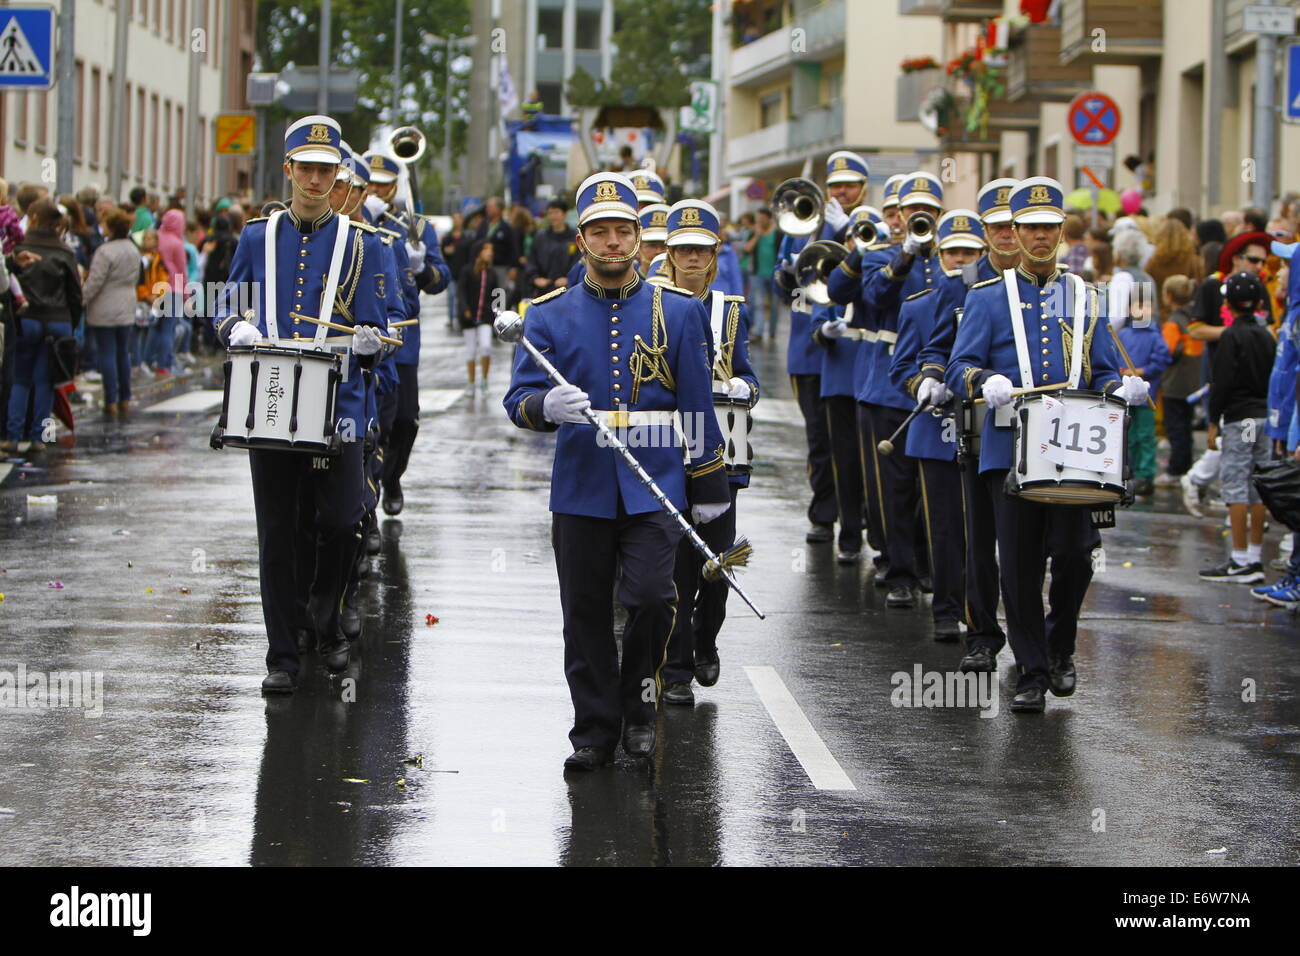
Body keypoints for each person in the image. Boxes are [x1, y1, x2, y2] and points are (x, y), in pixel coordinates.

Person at [502, 172, 730, 771]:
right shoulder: (546, 315)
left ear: (637, 237)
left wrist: (709, 487)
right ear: (581, 240)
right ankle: (593, 731)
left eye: (622, 231)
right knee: (584, 613)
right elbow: (518, 401)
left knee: (655, 599)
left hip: (657, 484)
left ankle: (639, 709)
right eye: (599, 232)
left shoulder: (677, 312)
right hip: (581, 487)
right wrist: (543, 408)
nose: (612, 242)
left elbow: (698, 407)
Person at [947, 177, 1147, 713]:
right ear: (1013, 232)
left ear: (1061, 232)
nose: (1039, 237)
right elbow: (957, 367)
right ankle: (1032, 671)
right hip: (1009, 445)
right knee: (1017, 562)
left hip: (1077, 448)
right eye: (1029, 227)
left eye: (1048, 228)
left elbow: (1101, 369)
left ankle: (1060, 648)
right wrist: (982, 381)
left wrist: (1119, 388)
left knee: (1078, 553)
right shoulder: (986, 297)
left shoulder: (1085, 295)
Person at [211, 114, 389, 693]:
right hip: (270, 397)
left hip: (339, 400)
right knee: (277, 532)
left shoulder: (361, 243)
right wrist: (232, 325)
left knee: (341, 522)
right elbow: (226, 305)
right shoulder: (257, 236)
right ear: (288, 170)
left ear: (338, 175)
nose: (316, 180)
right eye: (306, 169)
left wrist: (369, 340)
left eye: (326, 170)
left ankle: (323, 611)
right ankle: (281, 655)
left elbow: (379, 332)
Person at [657, 198, 760, 706]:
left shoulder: (732, 310)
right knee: (676, 561)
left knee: (717, 561)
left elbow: (750, 374)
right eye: (683, 250)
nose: (692, 259)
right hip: (667, 450)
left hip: (722, 454)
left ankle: (706, 639)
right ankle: (675, 669)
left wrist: (744, 385)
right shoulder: (652, 305)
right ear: (669, 255)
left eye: (701, 250)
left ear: (714, 254)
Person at [917, 178, 1019, 672]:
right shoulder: (959, 284)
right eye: (996, 227)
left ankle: (1039, 640)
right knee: (978, 537)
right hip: (979, 423)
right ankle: (981, 631)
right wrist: (932, 379)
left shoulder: (1055, 282)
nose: (1005, 236)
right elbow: (937, 347)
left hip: (1042, 426)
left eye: (1011, 225)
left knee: (1039, 540)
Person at [890, 208, 987, 641]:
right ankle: (947, 611)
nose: (961, 261)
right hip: (937, 429)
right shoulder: (920, 305)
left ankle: (982, 612)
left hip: (988, 427)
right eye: (953, 253)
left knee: (984, 529)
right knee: (945, 528)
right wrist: (922, 386)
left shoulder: (997, 298)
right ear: (940, 254)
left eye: (970, 252)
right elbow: (902, 367)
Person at [858, 170, 946, 607]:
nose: (919, 218)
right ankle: (899, 571)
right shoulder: (883, 255)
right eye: (913, 212)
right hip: (890, 383)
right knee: (893, 486)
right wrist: (906, 255)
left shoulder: (951, 257)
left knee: (932, 484)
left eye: (928, 212)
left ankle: (930, 564)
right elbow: (873, 298)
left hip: (941, 384)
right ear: (900, 215)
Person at [1198, 272, 1275, 583]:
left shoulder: (1230, 336)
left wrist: (1214, 421)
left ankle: (1239, 558)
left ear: (1227, 302)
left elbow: (1223, 383)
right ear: (1258, 303)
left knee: (1236, 484)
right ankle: (1255, 555)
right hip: (1264, 418)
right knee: (1259, 485)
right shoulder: (1266, 335)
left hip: (1241, 419)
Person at [1, 199, 83, 454]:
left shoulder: (21, 247)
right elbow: (75, 294)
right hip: (58, 321)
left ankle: (13, 435)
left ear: (33, 218)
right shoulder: (65, 251)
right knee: (47, 381)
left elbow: (8, 282)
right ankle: (39, 437)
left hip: (28, 318)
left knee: (21, 379)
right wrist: (73, 325)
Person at [82, 209, 140, 420]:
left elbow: (95, 281)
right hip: (126, 304)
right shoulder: (133, 249)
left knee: (106, 352)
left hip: (105, 305)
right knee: (123, 352)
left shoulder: (105, 251)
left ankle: (110, 399)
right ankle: (125, 395)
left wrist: (81, 299)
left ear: (112, 227)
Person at [1117, 292, 1170, 496]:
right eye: (1139, 306)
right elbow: (1114, 359)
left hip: (1148, 396)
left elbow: (1162, 359)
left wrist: (1140, 371)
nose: (1143, 310)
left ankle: (1146, 475)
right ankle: (1128, 470)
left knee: (1145, 435)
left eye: (1147, 306)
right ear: (1130, 309)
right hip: (1125, 395)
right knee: (1128, 434)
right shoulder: (1122, 335)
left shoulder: (1155, 336)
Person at [1158, 275, 1202, 482]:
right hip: (1193, 382)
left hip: (1174, 384)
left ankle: (1176, 470)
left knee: (1175, 428)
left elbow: (1167, 351)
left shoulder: (1173, 322)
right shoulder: (1195, 316)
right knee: (1186, 427)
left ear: (1169, 297)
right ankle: (1186, 465)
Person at [459, 239, 501, 390]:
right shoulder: (467, 271)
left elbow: (497, 294)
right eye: (486, 249)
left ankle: (484, 378)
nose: (490, 253)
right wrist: (464, 309)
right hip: (469, 318)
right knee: (470, 351)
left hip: (485, 317)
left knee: (486, 346)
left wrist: (499, 311)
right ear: (478, 252)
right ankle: (471, 382)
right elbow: (462, 292)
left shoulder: (491, 273)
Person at [524, 199, 579, 300]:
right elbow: (531, 260)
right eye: (550, 213)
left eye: (556, 212)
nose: (553, 216)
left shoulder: (574, 237)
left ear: (565, 214)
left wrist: (569, 278)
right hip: (544, 290)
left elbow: (579, 261)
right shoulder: (540, 237)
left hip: (569, 290)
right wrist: (535, 278)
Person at [744, 207, 780, 343]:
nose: (760, 222)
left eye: (762, 219)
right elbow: (747, 249)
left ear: (769, 219)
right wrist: (757, 235)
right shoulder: (753, 233)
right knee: (758, 303)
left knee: (774, 305)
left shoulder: (777, 234)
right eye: (758, 219)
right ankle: (758, 331)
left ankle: (772, 332)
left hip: (774, 274)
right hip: (757, 273)